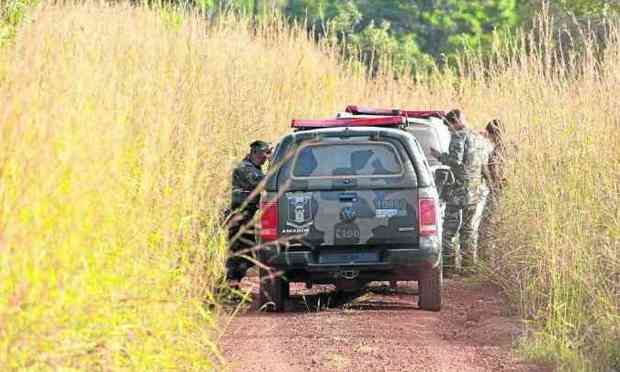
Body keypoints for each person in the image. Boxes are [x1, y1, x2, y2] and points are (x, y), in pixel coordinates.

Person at [430, 109, 483, 273]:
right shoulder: (476, 136)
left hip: (459, 192)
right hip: (474, 190)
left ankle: (449, 268)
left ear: (452, 123)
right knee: (468, 230)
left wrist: (439, 156)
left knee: (449, 231)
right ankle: (468, 267)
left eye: (448, 126)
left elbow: (455, 162)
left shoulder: (458, 136)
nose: (448, 130)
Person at [226, 140, 272, 283]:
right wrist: (274, 164)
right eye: (265, 153)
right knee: (239, 253)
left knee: (246, 253)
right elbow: (265, 183)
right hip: (240, 216)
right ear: (254, 152)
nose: (266, 157)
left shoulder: (254, 168)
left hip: (247, 216)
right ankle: (230, 285)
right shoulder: (245, 168)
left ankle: (233, 285)